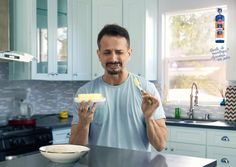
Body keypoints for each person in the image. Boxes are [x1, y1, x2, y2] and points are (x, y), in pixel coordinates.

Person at [69, 24, 167, 152]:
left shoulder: (147, 90)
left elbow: (160, 145)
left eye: (119, 52)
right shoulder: (85, 93)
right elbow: (74, 149)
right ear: (99, 54)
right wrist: (84, 124)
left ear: (129, 53)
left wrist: (149, 118)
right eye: (107, 52)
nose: (113, 58)